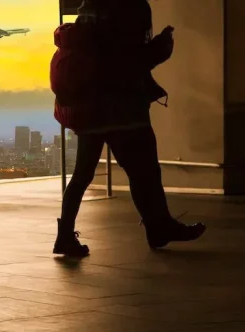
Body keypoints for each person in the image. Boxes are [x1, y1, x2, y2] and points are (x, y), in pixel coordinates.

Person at [50, 0, 205, 257]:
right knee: (145, 172)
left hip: (89, 108)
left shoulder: (89, 10)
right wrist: (163, 45)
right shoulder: (130, 7)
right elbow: (133, 57)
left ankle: (65, 235)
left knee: (82, 176)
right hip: (123, 107)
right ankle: (159, 227)